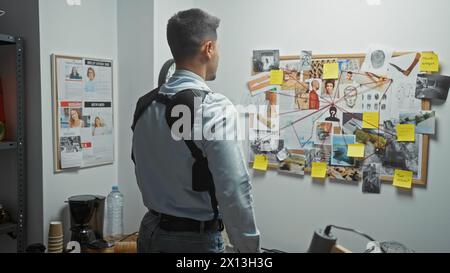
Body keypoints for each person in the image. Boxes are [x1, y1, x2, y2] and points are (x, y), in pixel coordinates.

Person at [132, 9, 260, 253]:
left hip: (149, 233)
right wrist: (249, 251)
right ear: (208, 48)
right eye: (218, 48)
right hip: (193, 242)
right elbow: (234, 189)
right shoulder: (214, 107)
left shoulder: (145, 105)